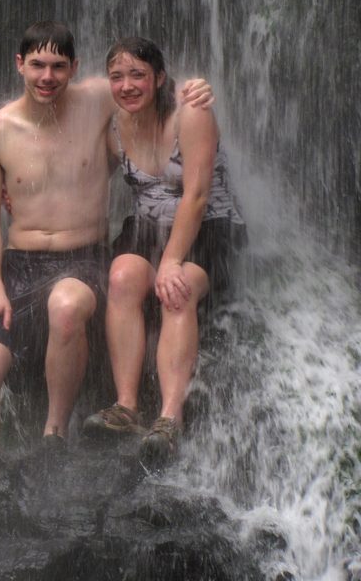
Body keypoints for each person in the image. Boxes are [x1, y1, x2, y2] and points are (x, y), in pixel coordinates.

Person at [0, 22, 212, 499]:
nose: (47, 76)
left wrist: (197, 86)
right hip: (19, 265)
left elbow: (151, 88)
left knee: (68, 305)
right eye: (37, 64)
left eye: (58, 66)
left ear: (76, 69)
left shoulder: (101, 98)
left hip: (83, 257)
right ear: (19, 65)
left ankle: (53, 435)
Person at [82, 37, 246, 465]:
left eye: (138, 74)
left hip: (206, 229)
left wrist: (172, 260)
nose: (127, 85)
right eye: (117, 76)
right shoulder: (112, 125)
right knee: (121, 279)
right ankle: (126, 407)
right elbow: (76, 168)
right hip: (145, 228)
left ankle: (169, 419)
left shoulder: (191, 112)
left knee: (179, 289)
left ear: (158, 78)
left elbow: (195, 196)